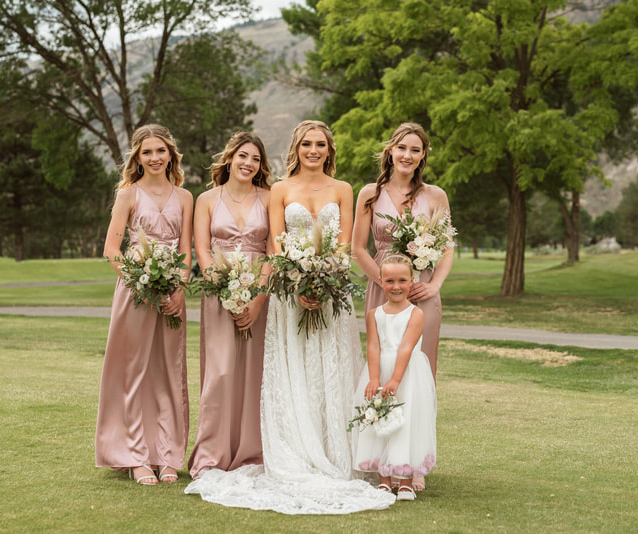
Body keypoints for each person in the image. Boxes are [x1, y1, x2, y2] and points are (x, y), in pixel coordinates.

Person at [185, 120, 395, 514]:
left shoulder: (343, 189)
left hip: (331, 295)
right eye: (306, 144)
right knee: (294, 371)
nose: (313, 151)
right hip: (288, 294)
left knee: (330, 373)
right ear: (296, 148)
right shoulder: (279, 190)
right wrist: (298, 283)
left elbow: (346, 245)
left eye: (320, 145)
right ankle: (293, 450)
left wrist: (323, 280)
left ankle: (336, 452)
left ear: (329, 150)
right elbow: (276, 244)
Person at [351, 122, 452, 491]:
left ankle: (415, 462)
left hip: (423, 292)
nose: (407, 155)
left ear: (423, 156)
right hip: (382, 289)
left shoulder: (436, 196)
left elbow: (446, 247)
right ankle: (383, 459)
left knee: (420, 377)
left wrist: (433, 285)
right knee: (382, 370)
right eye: (402, 148)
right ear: (390, 151)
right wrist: (389, 284)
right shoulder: (368, 194)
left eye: (415, 149)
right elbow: (358, 249)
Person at [95, 124, 193, 485]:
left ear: (171, 154)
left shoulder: (185, 197)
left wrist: (178, 289)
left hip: (172, 293)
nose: (154, 158)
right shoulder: (128, 195)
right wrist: (140, 281)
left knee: (168, 372)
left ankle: (166, 455)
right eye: (147, 152)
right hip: (135, 292)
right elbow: (111, 250)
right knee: (133, 372)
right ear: (137, 156)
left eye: (161, 151)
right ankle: (135, 455)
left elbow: (186, 249)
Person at [187, 132, 272, 480]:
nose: (248, 163)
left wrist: (255, 300)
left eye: (255, 158)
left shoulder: (269, 197)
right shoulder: (206, 199)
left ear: (260, 165)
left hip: (260, 292)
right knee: (220, 373)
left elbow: (274, 251)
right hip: (218, 292)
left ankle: (252, 452)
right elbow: (202, 250)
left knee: (255, 373)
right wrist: (224, 289)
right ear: (230, 158)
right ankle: (211, 455)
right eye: (242, 156)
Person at [352, 254, 437, 502]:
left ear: (412, 280)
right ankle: (385, 480)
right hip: (380, 371)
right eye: (389, 281)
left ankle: (406, 480)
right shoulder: (373, 314)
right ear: (380, 281)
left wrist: (395, 380)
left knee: (406, 422)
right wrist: (374, 378)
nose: (396, 286)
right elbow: (373, 348)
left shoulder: (416, 314)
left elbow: (405, 348)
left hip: (407, 374)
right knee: (379, 421)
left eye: (402, 280)